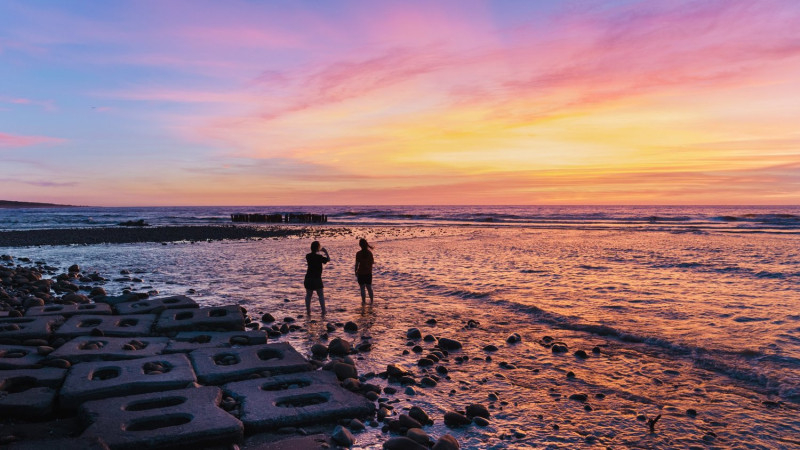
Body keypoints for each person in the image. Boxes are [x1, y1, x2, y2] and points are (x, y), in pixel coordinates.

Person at [304, 241, 329, 315]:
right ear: (318, 248)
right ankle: (323, 311)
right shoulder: (319, 257)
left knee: (308, 295)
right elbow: (328, 259)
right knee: (320, 295)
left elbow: (313, 256)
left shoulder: (307, 256)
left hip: (308, 278)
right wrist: (326, 252)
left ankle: (308, 311)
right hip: (317, 278)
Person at [354, 238, 374, 304]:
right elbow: (372, 263)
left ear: (360, 245)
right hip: (368, 273)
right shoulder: (370, 253)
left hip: (361, 273)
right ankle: (371, 301)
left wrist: (355, 271)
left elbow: (357, 264)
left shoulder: (358, 253)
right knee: (369, 288)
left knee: (362, 288)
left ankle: (363, 302)